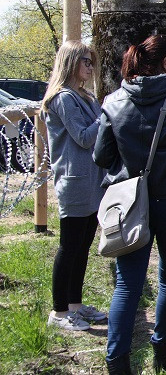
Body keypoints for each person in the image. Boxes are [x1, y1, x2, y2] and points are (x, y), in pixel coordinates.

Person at [94, 34, 166, 375]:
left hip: (130, 204)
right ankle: (162, 354)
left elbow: (102, 155)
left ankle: (116, 363)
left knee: (127, 283)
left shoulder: (113, 101)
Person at [42, 41, 107, 332]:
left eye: (92, 62)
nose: (90, 67)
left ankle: (75, 305)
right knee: (69, 247)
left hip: (93, 181)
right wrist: (107, 116)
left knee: (83, 246)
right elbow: (82, 136)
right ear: (70, 62)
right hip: (75, 181)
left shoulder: (88, 97)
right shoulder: (63, 98)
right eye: (86, 61)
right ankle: (58, 312)